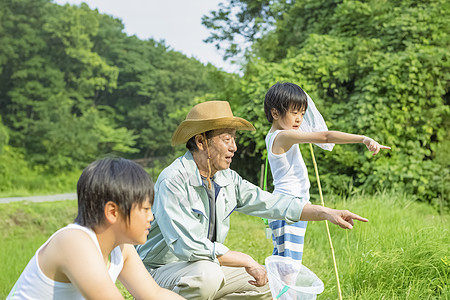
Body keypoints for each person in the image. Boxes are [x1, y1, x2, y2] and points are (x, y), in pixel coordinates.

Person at [136, 100, 369, 300]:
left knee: (271, 283)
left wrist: (326, 212)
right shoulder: (173, 180)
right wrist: (246, 259)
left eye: (234, 139)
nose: (234, 147)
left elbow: (273, 204)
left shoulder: (227, 179)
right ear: (201, 142)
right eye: (226, 139)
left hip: (206, 266)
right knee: (208, 276)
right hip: (160, 271)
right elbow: (188, 247)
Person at [7, 158, 184, 300]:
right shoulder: (73, 242)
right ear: (112, 212)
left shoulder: (121, 249)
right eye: (145, 209)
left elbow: (154, 295)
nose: (151, 217)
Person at [264, 82, 390, 263]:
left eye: (302, 113)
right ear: (275, 113)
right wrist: (363, 139)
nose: (299, 119)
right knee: (288, 268)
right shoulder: (282, 136)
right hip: (288, 206)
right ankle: (280, 292)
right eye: (294, 113)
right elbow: (326, 136)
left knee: (286, 264)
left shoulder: (280, 135)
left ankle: (275, 290)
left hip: (293, 206)